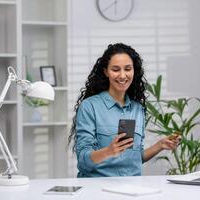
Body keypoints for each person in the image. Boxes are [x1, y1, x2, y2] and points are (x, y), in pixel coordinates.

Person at [68, 43, 180, 177]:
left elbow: (134, 159)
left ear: (134, 71)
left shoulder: (137, 109)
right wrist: (109, 151)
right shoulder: (89, 106)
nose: (122, 75)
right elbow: (83, 160)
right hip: (97, 187)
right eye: (115, 69)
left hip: (132, 188)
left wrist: (160, 145)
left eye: (128, 69)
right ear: (106, 72)